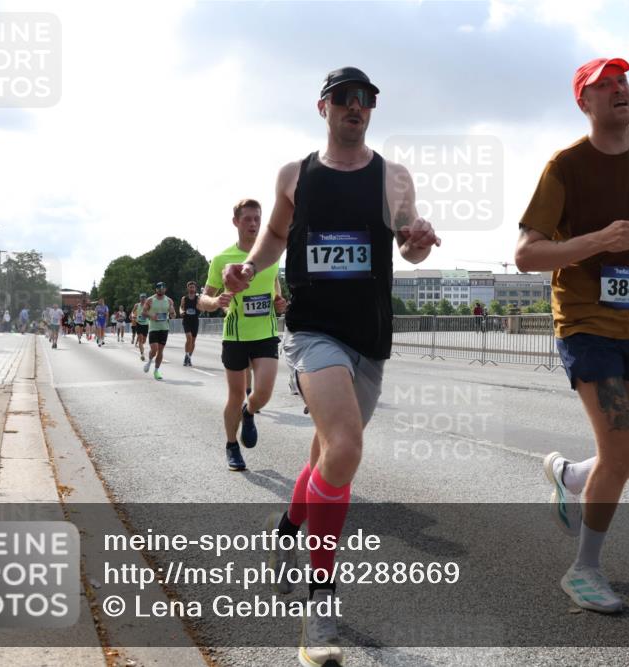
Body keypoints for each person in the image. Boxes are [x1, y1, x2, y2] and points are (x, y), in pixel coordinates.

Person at [220, 66, 439, 667]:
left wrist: (420, 235)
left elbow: (411, 246)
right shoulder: (296, 174)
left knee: (324, 455)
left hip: (369, 337)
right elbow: (273, 240)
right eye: (343, 98)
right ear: (323, 107)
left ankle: (287, 532)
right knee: (344, 448)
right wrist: (246, 270)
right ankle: (321, 602)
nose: (355, 107)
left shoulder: (393, 176)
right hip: (313, 331)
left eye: (365, 99)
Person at [514, 56, 629, 613]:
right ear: (583, 102)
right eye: (603, 86)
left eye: (622, 82)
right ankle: (584, 570)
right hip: (585, 319)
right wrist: (596, 240)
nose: (618, 91)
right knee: (617, 447)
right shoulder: (565, 165)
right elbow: (526, 254)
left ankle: (572, 475)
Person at [200, 199, 288, 470]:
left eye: (257, 219)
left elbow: (275, 290)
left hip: (265, 333)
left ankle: (249, 414)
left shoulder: (270, 256)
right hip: (236, 336)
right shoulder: (222, 259)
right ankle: (231, 446)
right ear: (236, 222)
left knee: (262, 393)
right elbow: (203, 299)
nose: (253, 223)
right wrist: (215, 303)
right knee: (236, 395)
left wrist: (278, 302)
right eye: (247, 218)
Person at [142, 282, 176, 380]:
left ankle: (156, 370)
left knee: (160, 350)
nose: (161, 289)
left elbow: (173, 314)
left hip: (164, 328)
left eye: (163, 288)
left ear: (165, 289)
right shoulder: (150, 300)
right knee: (154, 349)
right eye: (159, 288)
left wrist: (173, 314)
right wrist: (151, 316)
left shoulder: (169, 301)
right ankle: (149, 361)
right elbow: (144, 313)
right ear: (156, 289)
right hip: (153, 328)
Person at [181, 281, 201, 367]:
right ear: (187, 288)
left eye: (193, 287)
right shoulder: (184, 298)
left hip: (195, 321)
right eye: (190, 287)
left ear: (195, 288)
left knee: (193, 341)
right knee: (189, 338)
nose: (192, 288)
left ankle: (188, 357)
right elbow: (181, 308)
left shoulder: (198, 298)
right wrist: (181, 312)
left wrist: (201, 306)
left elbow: (201, 308)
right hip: (186, 320)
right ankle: (187, 355)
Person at [130, 293, 149, 360]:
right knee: (140, 339)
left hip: (146, 324)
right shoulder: (137, 305)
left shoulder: (148, 305)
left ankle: (141, 347)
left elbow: (152, 312)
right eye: (141, 297)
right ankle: (142, 354)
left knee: (144, 340)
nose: (143, 299)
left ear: (146, 298)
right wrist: (132, 316)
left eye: (144, 297)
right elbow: (132, 312)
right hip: (139, 323)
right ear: (139, 298)